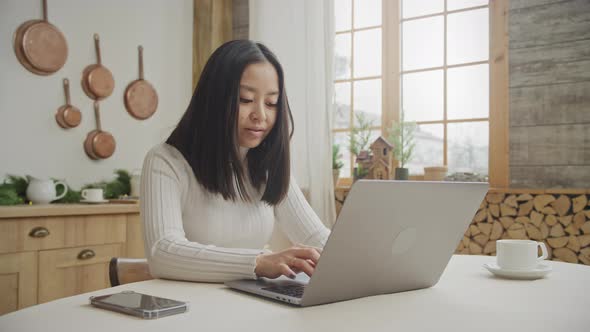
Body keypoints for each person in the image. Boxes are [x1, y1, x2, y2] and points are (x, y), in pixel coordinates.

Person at [140, 40, 331, 283]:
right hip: (188, 309)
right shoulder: (166, 162)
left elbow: (315, 235)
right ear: (214, 99)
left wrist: (357, 262)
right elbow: (162, 253)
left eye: (271, 103)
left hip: (249, 305)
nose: (260, 115)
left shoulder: (266, 167)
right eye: (245, 99)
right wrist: (258, 262)